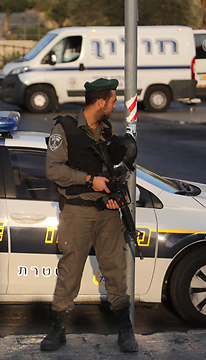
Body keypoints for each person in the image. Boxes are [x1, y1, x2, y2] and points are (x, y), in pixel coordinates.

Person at [42, 78, 138, 353]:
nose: (115, 104)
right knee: (70, 271)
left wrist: (111, 194)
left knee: (115, 271)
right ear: (100, 102)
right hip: (77, 212)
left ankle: (124, 329)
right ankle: (57, 329)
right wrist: (88, 180)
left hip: (106, 213)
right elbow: (54, 170)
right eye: (112, 100)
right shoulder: (65, 129)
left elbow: (112, 169)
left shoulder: (106, 130)